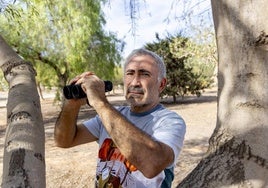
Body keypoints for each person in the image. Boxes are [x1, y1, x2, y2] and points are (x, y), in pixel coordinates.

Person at [54, 48, 186, 188]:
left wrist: (100, 102)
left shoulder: (170, 121)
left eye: (144, 74)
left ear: (161, 84)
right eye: (130, 73)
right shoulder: (110, 115)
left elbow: (152, 165)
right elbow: (64, 141)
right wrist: (71, 105)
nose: (135, 82)